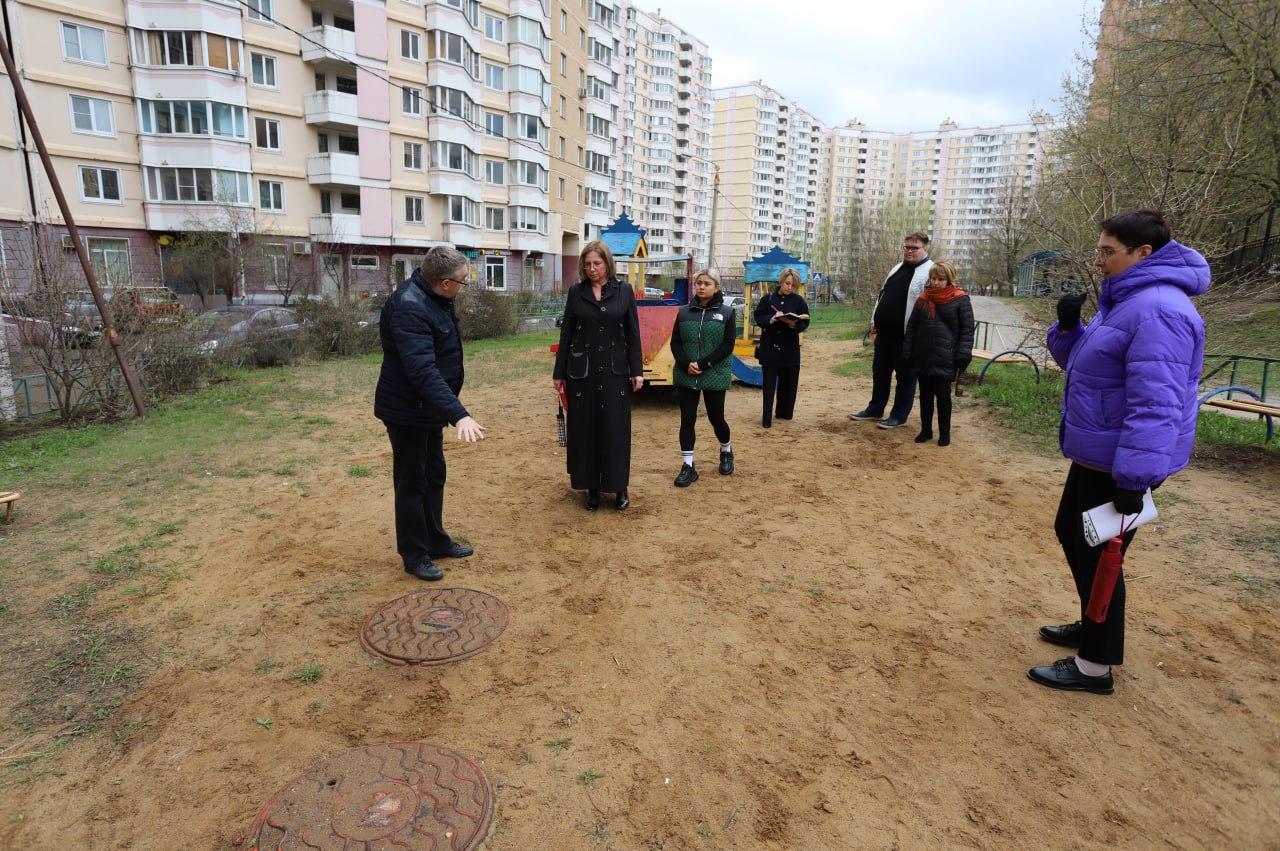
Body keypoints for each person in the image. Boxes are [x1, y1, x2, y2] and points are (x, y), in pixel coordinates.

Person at [1029, 209, 1209, 695]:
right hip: (1100, 451)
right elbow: (1090, 366)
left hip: (1121, 461)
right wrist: (1068, 329)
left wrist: (1135, 479)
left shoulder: (1160, 310)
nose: (1098, 259)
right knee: (1078, 533)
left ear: (1142, 253)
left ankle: (1094, 666)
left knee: (1100, 550)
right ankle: (1094, 625)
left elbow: (1158, 403)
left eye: (1107, 251)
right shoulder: (1129, 299)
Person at [374, 247, 486, 582]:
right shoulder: (410, 308)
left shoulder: (434, 297)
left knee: (433, 475)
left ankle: (435, 540)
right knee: (412, 482)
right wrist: (459, 414)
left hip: (427, 409)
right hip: (406, 410)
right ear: (446, 283)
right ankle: (414, 554)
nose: (464, 287)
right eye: (463, 282)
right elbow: (422, 371)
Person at [552, 241, 644, 511]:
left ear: (607, 264)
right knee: (586, 430)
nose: (591, 269)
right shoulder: (576, 292)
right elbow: (566, 333)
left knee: (615, 430)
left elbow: (633, 333)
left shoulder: (624, 291)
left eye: (597, 263)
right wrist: (559, 373)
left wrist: (636, 370)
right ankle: (591, 487)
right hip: (583, 373)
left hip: (615, 373)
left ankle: (619, 487)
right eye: (587, 264)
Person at [850, 232, 934, 429]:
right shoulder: (897, 268)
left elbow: (930, 307)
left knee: (905, 377)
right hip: (884, 335)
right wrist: (874, 319)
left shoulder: (930, 271)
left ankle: (899, 415)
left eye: (914, 248)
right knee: (880, 374)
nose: (909, 251)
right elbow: (882, 296)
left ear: (925, 249)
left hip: (907, 338)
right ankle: (875, 408)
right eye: (906, 247)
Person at [669, 269, 736, 486]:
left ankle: (726, 449)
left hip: (714, 373)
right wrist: (685, 363)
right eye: (699, 283)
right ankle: (688, 466)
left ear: (716, 287)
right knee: (687, 419)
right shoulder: (683, 312)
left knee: (716, 418)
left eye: (707, 283)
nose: (701, 286)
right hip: (686, 374)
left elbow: (728, 345)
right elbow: (675, 343)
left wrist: (704, 364)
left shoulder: (727, 313)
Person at [901, 260, 974, 447]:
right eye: (933, 278)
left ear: (949, 279)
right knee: (925, 395)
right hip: (923, 355)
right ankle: (926, 430)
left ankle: (945, 433)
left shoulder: (960, 300)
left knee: (943, 396)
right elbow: (912, 328)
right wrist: (907, 352)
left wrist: (963, 354)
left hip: (946, 356)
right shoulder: (923, 299)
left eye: (941, 279)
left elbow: (967, 331)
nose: (936, 282)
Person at [753, 267, 811, 428]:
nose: (789, 287)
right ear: (781, 281)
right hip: (770, 348)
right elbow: (758, 316)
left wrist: (793, 323)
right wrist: (772, 319)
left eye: (793, 285)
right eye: (787, 283)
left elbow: (805, 321)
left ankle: (784, 414)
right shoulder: (768, 298)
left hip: (789, 350)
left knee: (789, 384)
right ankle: (766, 419)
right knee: (769, 386)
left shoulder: (799, 301)